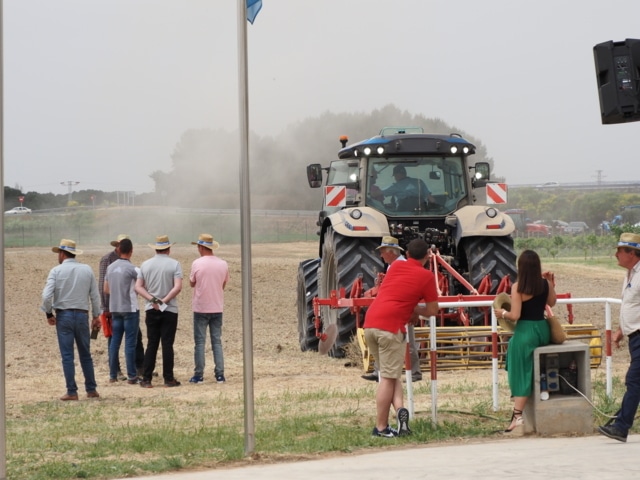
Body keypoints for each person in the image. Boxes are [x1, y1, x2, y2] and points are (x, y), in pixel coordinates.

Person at [363, 238, 439, 437]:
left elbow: (393, 295)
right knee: (387, 378)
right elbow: (432, 310)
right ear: (427, 256)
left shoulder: (395, 268)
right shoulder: (426, 276)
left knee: (390, 374)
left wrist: (409, 307)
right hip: (391, 328)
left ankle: (400, 412)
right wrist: (414, 308)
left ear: (406, 253)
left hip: (370, 323)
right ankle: (380, 428)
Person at [493, 249, 556, 433]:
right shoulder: (545, 284)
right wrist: (551, 284)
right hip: (542, 330)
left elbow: (515, 315)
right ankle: (518, 414)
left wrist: (502, 313)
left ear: (520, 267)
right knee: (522, 361)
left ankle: (517, 415)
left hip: (526, 331)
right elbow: (551, 304)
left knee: (519, 367)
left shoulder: (518, 287)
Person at [41, 239, 101, 401]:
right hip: (82, 315)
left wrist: (48, 313)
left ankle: (72, 391)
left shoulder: (56, 271)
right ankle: (91, 389)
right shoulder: (87, 270)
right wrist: (96, 316)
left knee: (67, 356)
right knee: (85, 354)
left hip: (64, 316)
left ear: (62, 254)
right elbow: (95, 296)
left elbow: (46, 296)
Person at [361, 236, 423, 383]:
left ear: (391, 252)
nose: (381, 255)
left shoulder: (402, 265)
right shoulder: (392, 266)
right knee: (385, 340)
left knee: (408, 342)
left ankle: (414, 373)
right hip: (392, 309)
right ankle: (379, 371)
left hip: (402, 310)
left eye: (382, 252)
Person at [598, 232, 640, 443]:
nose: (616, 255)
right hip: (635, 337)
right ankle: (619, 423)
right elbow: (632, 306)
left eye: (620, 251)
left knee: (634, 380)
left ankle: (621, 427)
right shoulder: (631, 275)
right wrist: (620, 331)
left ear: (632, 253)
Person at [135, 235, 183, 388]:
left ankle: (147, 378)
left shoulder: (145, 265)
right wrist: (164, 300)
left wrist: (153, 300)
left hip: (151, 308)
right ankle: (168, 378)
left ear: (155, 248)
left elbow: (139, 287)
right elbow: (177, 287)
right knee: (167, 344)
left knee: (152, 343)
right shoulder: (175, 264)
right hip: (170, 309)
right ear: (168, 249)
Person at [99, 234, 145, 380]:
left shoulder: (110, 267)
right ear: (131, 251)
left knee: (114, 342)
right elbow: (141, 287)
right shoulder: (134, 269)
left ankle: (113, 374)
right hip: (129, 309)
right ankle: (132, 375)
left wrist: (117, 293)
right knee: (130, 343)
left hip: (114, 308)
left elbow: (106, 289)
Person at [188, 233, 230, 384]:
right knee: (216, 342)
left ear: (200, 247)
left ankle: (198, 374)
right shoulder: (223, 264)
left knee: (200, 342)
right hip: (217, 307)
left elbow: (192, 283)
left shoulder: (197, 263)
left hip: (200, 307)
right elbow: (223, 285)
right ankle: (220, 374)